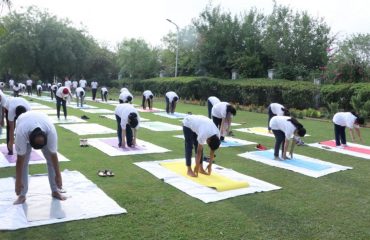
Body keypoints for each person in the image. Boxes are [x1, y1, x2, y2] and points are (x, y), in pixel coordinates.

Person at [13, 111, 66, 204]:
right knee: (24, 162)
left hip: (42, 120)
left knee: (50, 160)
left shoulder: (51, 132)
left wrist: (59, 175)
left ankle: (55, 191)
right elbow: (20, 160)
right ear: (29, 139)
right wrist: (18, 181)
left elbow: (53, 155)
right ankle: (22, 195)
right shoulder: (21, 133)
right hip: (23, 121)